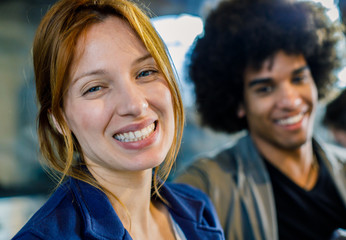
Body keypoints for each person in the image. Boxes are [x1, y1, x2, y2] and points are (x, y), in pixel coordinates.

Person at [12, 0, 224, 239]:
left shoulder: (196, 208)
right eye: (95, 88)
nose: (135, 105)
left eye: (146, 72)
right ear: (60, 119)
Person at [175, 0, 346, 239]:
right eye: (265, 88)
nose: (290, 100)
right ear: (239, 103)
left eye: (298, 79)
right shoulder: (206, 187)